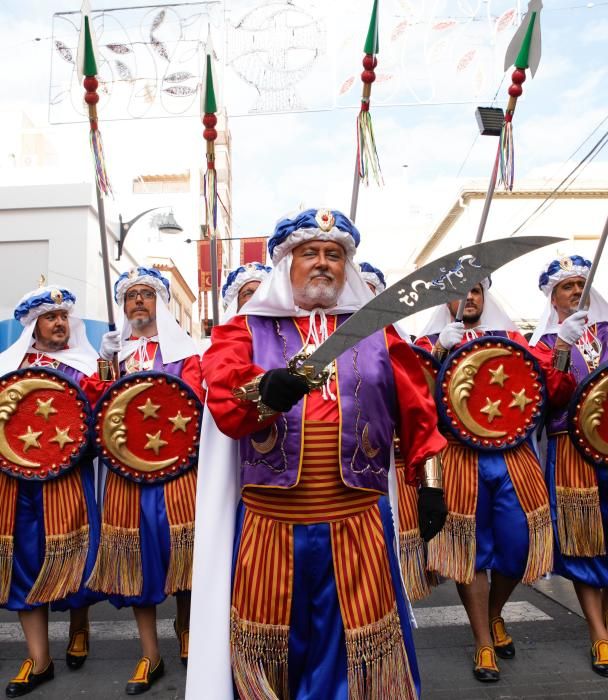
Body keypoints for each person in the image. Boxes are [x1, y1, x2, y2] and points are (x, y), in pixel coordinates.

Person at [196, 208, 447, 699]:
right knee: (270, 647)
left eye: (334, 255)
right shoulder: (244, 331)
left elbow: (419, 409)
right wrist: (267, 390)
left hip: (358, 523)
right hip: (270, 525)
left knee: (360, 650)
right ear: (285, 263)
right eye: (310, 253)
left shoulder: (378, 332)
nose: (323, 263)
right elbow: (226, 400)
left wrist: (430, 484)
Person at [416, 280, 573, 682]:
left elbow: (551, 394)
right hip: (459, 455)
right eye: (459, 291)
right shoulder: (428, 340)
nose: (469, 298)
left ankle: (495, 612)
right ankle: (484, 641)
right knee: (471, 552)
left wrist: (562, 349)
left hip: (512, 455)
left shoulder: (512, 339)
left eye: (476, 291)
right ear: (444, 299)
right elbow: (415, 401)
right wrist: (437, 353)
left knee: (519, 547)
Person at [91, 267, 203, 694]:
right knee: (135, 561)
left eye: (147, 294)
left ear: (162, 303)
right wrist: (105, 369)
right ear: (123, 306)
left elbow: (193, 406)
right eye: (131, 296)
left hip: (176, 470)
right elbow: (97, 406)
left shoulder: (186, 354)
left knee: (183, 554)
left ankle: (188, 629)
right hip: (126, 475)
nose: (139, 301)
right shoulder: (114, 355)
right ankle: (149, 653)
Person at [0, 284, 105, 697]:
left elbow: (101, 420)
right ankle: (38, 659)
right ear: (34, 325)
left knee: (75, 554)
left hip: (67, 478)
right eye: (51, 317)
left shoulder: (85, 365)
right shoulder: (9, 367)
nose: (60, 323)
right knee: (25, 560)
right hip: (17, 482)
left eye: (63, 317)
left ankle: (79, 629)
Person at [530, 255, 608, 676]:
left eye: (581, 284)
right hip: (572, 449)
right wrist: (562, 346)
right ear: (553, 297)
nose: (577, 291)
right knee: (585, 543)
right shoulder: (543, 345)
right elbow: (553, 397)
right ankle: (598, 634)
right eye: (567, 287)